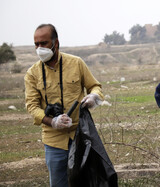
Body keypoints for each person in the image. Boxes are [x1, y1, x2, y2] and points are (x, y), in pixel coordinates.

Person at [24, 24, 104, 187]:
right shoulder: (32, 74)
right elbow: (32, 107)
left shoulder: (76, 63)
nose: (39, 48)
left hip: (80, 135)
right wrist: (52, 121)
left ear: (56, 43)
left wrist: (93, 97)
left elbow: (94, 86)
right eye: (36, 44)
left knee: (85, 181)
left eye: (44, 43)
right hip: (53, 140)